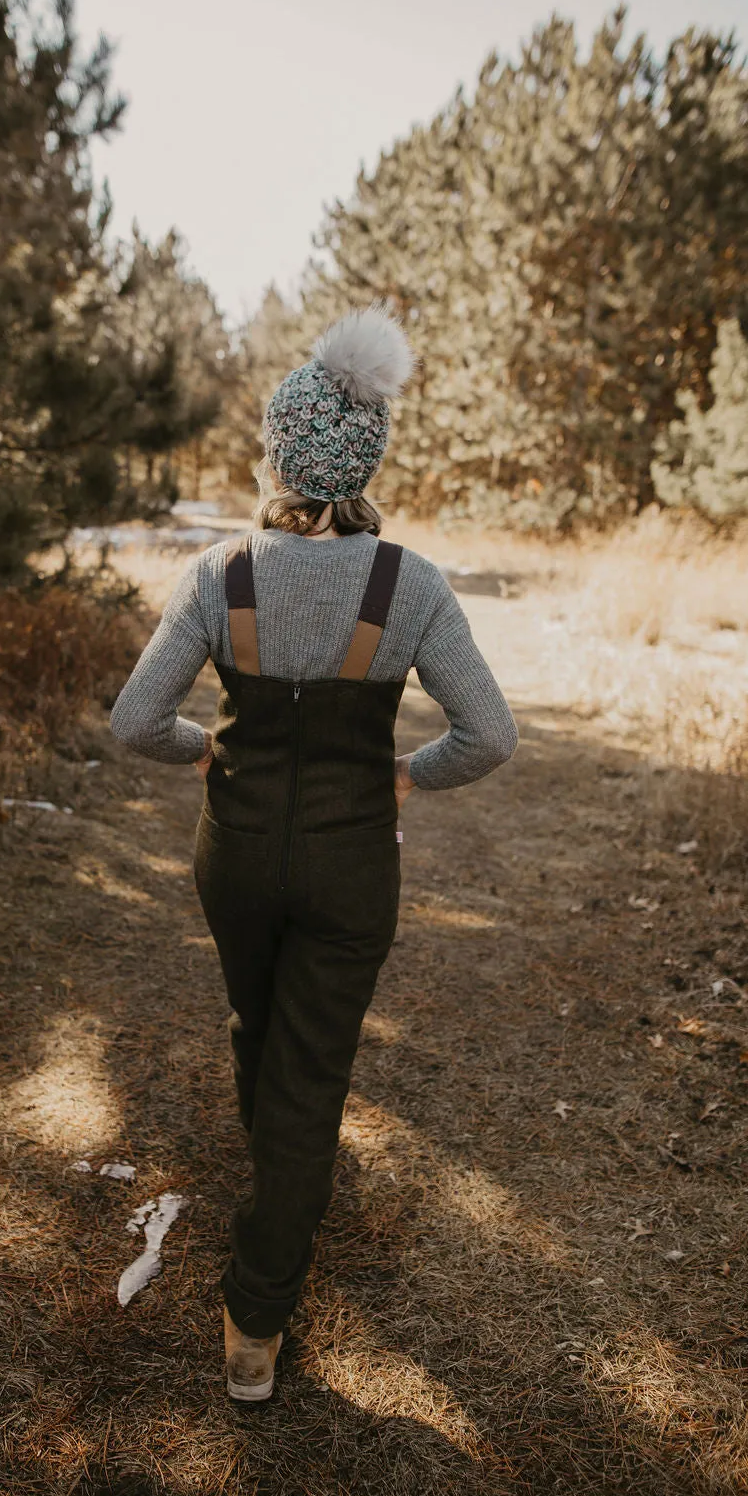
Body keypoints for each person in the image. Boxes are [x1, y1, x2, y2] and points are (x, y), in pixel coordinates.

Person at [110, 305, 518, 1402]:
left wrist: (205, 747)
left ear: (279, 456)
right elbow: (489, 735)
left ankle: (273, 1217)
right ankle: (258, 1314)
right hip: (350, 868)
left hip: (233, 852)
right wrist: (401, 776)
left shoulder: (219, 575)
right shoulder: (408, 585)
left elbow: (133, 723)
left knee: (259, 1023)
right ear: (364, 459)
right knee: (307, 1074)